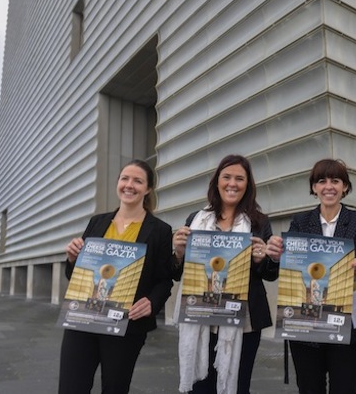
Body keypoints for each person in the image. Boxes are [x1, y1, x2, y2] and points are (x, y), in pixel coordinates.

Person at [59, 159, 174, 394]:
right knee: (71, 387)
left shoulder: (160, 230)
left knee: (115, 388)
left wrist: (152, 302)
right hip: (83, 318)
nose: (129, 185)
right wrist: (72, 258)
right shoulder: (97, 222)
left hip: (125, 324)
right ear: (118, 183)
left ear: (148, 189)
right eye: (125, 179)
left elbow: (165, 279)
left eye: (138, 181)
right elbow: (75, 275)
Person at [171, 154, 281, 394]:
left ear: (247, 185)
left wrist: (264, 258)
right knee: (201, 388)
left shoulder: (259, 222)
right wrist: (179, 252)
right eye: (227, 177)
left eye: (239, 179)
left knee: (238, 386)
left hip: (245, 321)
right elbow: (179, 273)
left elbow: (271, 274)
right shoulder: (196, 219)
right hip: (201, 315)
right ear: (217, 182)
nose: (232, 183)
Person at [279, 159, 356, 394]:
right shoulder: (300, 222)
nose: (329, 186)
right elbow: (288, 262)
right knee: (309, 389)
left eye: (335, 180)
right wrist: (276, 253)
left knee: (345, 388)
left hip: (349, 324)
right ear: (314, 187)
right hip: (305, 325)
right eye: (322, 181)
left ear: (345, 186)